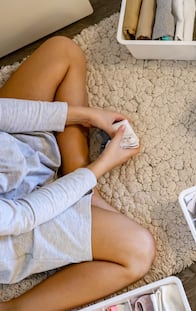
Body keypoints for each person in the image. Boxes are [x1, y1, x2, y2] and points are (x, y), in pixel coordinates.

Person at [0, 36, 156, 311]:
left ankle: (81, 188)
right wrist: (101, 165)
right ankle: (16, 308)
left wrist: (84, 116)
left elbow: (4, 114)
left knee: (63, 51)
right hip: (16, 229)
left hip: (14, 152)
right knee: (138, 251)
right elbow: (25, 214)